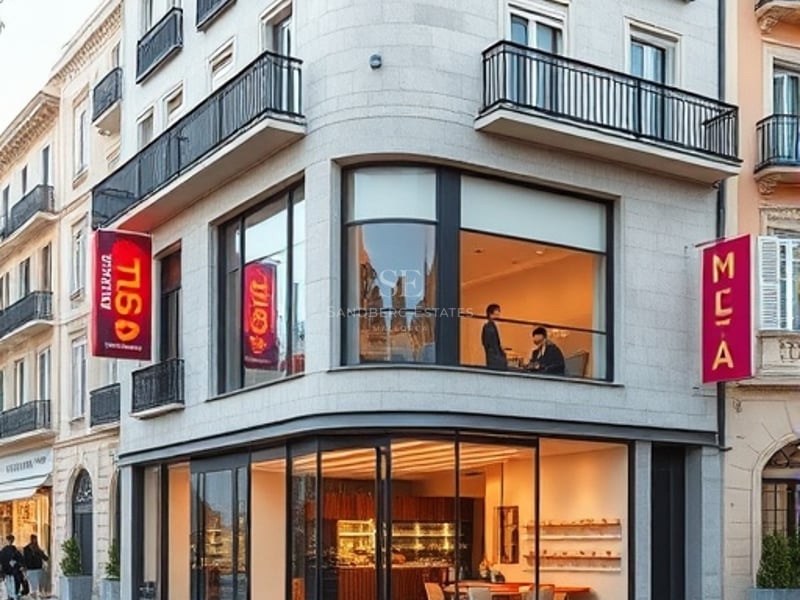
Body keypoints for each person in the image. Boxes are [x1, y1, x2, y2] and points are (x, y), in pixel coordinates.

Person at [481, 304, 507, 370]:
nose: (499, 312)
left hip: (495, 356)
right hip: (494, 357)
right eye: (497, 310)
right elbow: (488, 343)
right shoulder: (488, 327)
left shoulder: (492, 325)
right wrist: (499, 355)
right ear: (491, 313)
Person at [23, 534, 47, 599]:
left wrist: (41, 554)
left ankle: (37, 596)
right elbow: (25, 559)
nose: (35, 540)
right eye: (34, 539)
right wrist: (25, 568)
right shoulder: (26, 548)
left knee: (38, 586)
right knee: (32, 586)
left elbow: (45, 557)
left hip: (38, 569)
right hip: (30, 569)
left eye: (35, 539)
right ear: (31, 539)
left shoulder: (38, 548)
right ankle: (33, 597)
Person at [0, 535, 23, 600]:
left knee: (11, 583)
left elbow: (19, 559)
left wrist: (16, 563)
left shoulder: (12, 549)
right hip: (10, 570)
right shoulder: (9, 549)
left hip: (11, 570)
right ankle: (12, 596)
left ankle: (12, 596)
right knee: (11, 583)